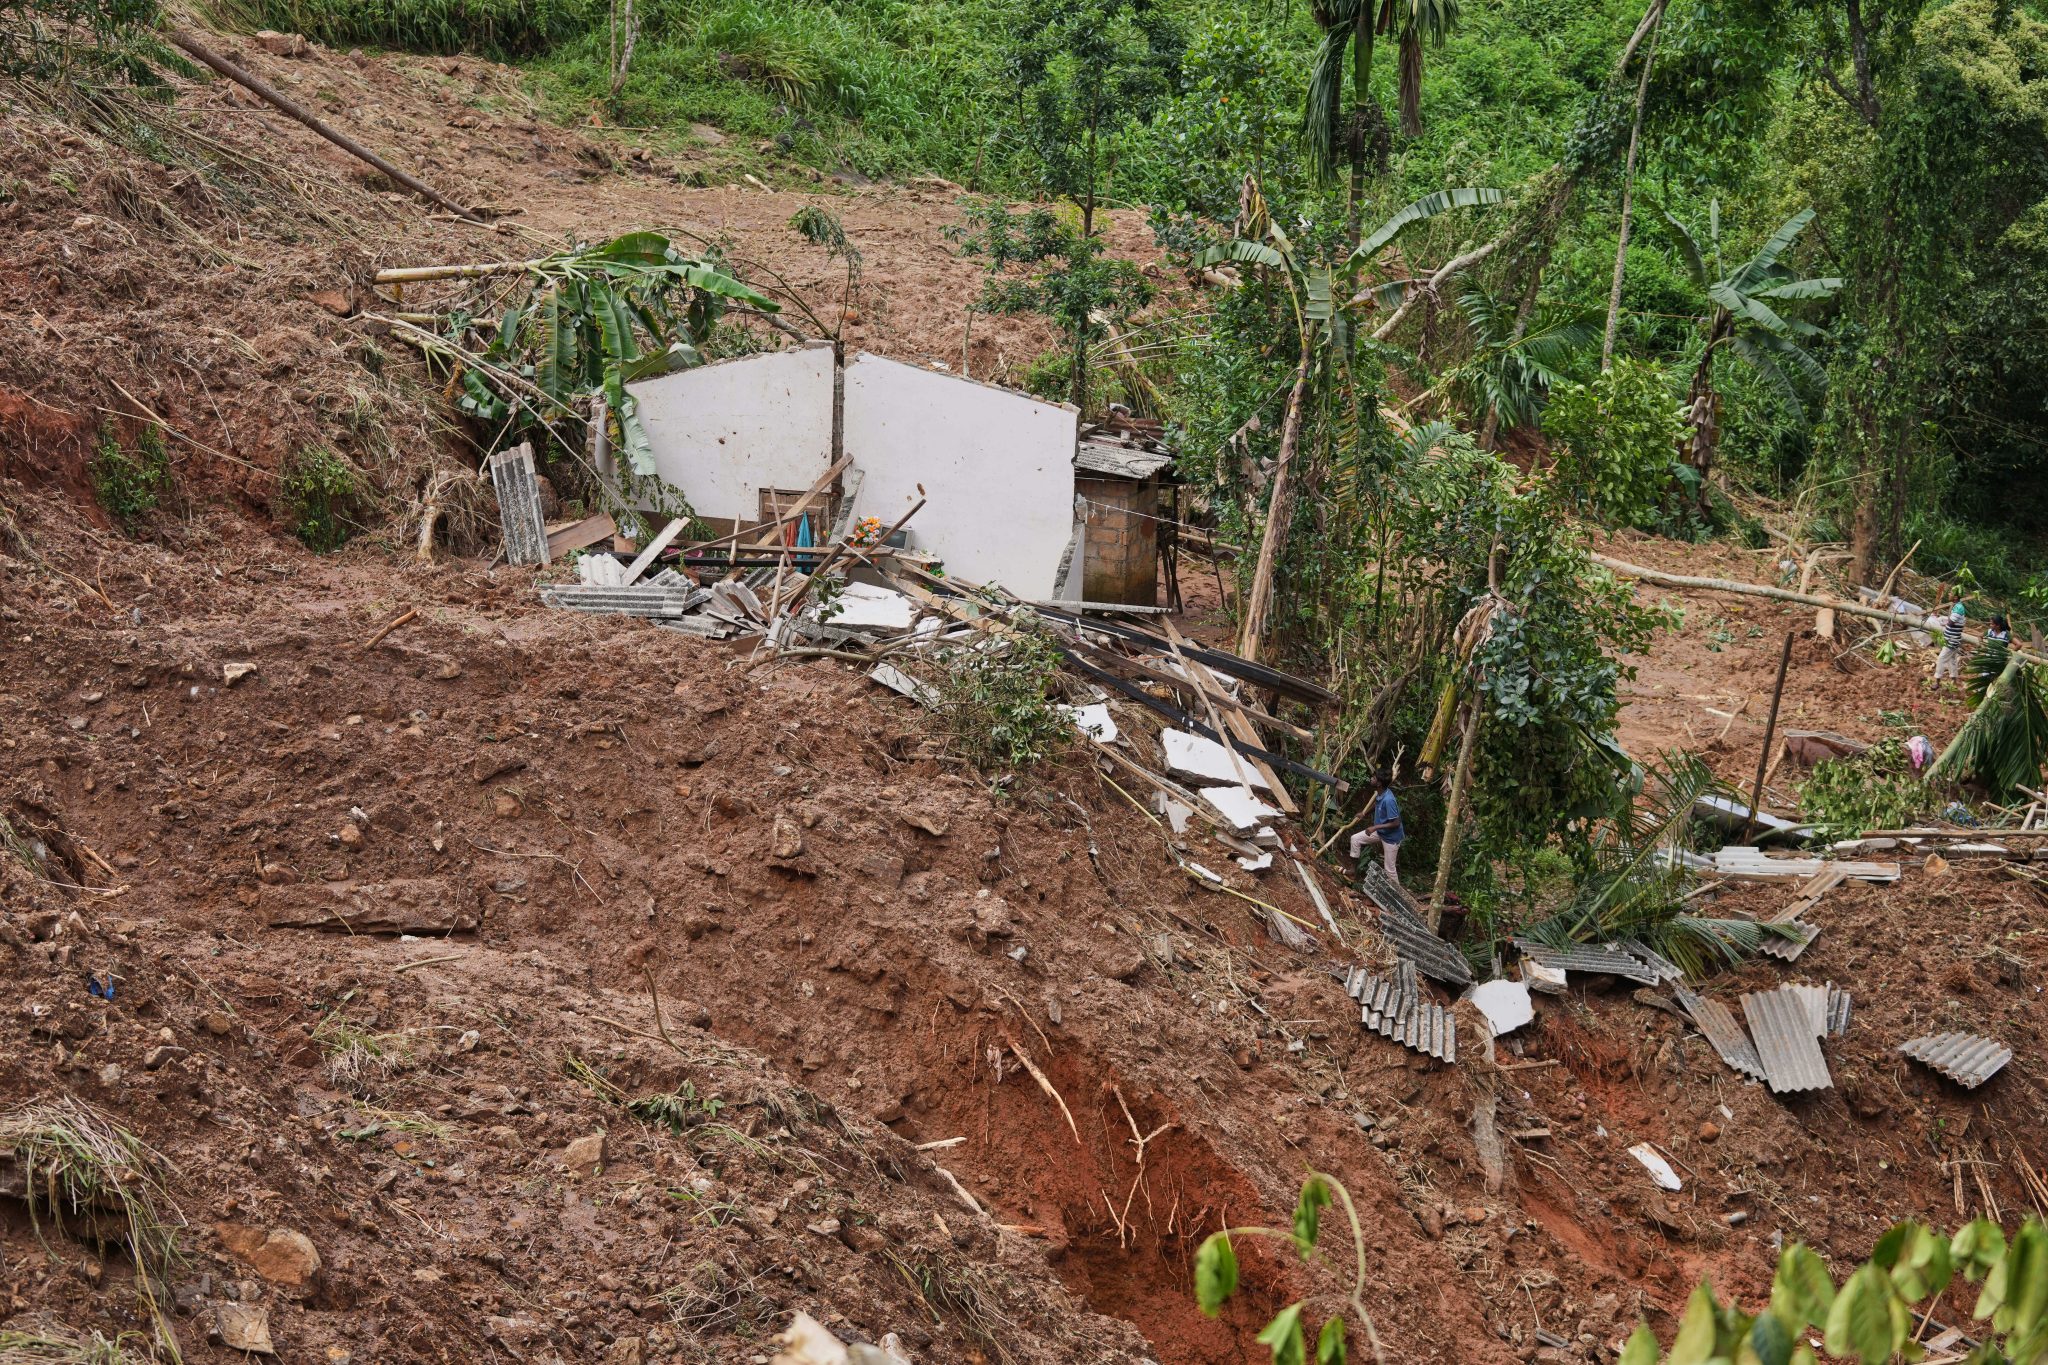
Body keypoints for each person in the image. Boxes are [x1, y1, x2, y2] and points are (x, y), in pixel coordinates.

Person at [1348, 768, 1405, 882]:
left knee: (1389, 869)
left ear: (1379, 783)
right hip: (1380, 832)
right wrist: (1364, 813)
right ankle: (1352, 871)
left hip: (1391, 838)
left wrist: (1375, 827)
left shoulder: (1389, 800)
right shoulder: (1381, 793)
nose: (1371, 779)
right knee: (1355, 839)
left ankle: (1397, 896)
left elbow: (1396, 822)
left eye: (1373, 778)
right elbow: (1376, 804)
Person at [1935, 603, 1967, 682]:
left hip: (1952, 641)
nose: (1949, 594)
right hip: (1953, 640)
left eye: (1951, 593)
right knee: (1952, 660)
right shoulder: (1956, 606)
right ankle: (1954, 679)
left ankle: (1937, 681)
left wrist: (1943, 622)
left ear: (1955, 596)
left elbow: (1951, 623)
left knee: (1941, 659)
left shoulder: (1959, 608)